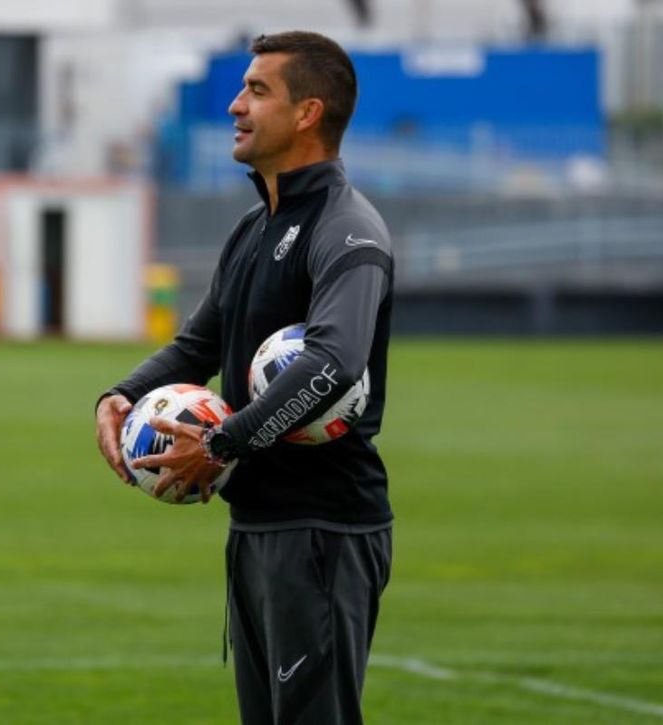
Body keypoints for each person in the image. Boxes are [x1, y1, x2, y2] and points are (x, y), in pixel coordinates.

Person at [95, 30, 393, 724]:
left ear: (308, 112)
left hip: (323, 529)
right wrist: (119, 395)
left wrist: (223, 444)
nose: (235, 105)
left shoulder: (347, 228)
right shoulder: (253, 229)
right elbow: (198, 343)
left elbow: (335, 359)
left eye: (257, 90)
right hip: (258, 526)